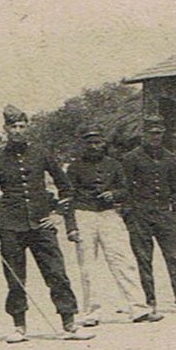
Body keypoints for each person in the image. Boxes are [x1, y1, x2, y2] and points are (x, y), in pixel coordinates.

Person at [0, 104, 89, 342]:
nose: (18, 131)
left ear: (27, 127)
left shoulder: (41, 153)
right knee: (15, 278)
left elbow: (66, 187)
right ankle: (19, 326)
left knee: (57, 274)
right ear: (5, 129)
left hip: (42, 225)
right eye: (13, 127)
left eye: (22, 126)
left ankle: (69, 322)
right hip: (11, 227)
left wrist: (59, 215)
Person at [67, 126, 160, 325]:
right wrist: (71, 226)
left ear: (104, 143)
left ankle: (138, 308)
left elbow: (126, 189)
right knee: (88, 266)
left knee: (123, 260)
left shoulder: (115, 165)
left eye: (98, 142)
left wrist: (115, 194)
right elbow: (68, 198)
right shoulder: (74, 167)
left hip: (109, 215)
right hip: (83, 214)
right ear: (84, 144)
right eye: (90, 143)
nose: (94, 146)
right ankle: (92, 313)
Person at [121, 116, 176, 315]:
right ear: (143, 135)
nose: (155, 137)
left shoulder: (169, 157)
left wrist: (175, 211)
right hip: (140, 215)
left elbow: (175, 187)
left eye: (158, 133)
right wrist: (130, 214)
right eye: (151, 133)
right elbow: (125, 188)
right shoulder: (131, 158)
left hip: (165, 214)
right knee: (144, 259)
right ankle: (149, 303)